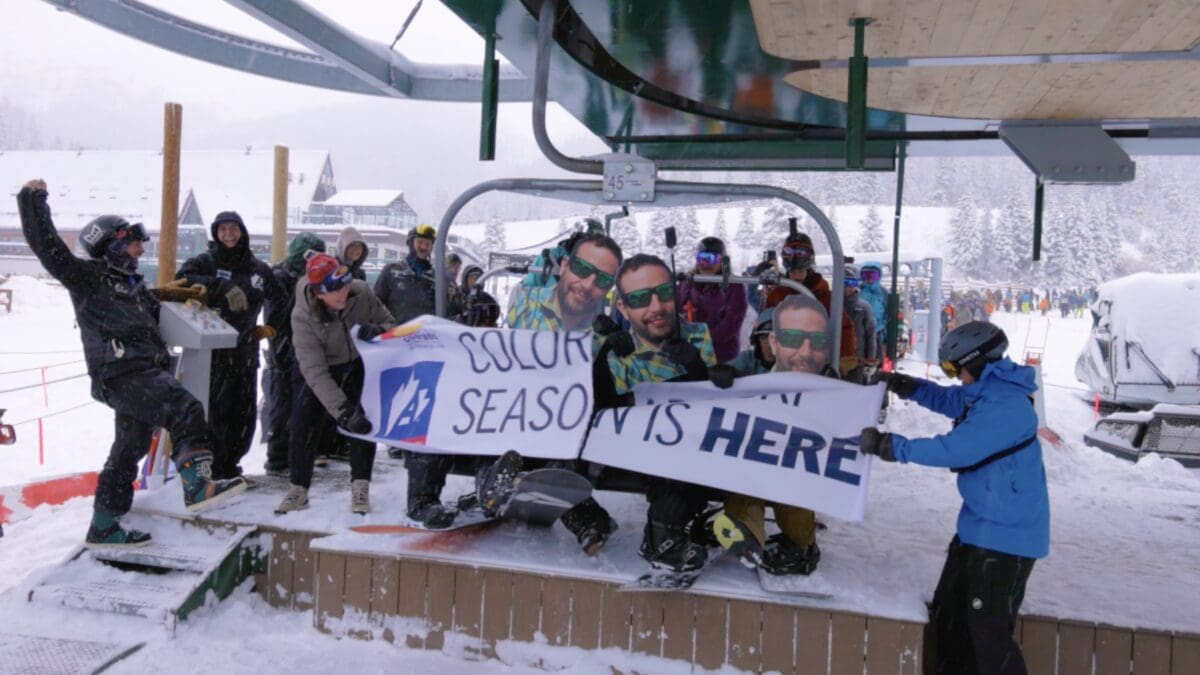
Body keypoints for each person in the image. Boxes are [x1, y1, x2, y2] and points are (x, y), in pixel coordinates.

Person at [17, 179, 246, 547]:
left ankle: (104, 525)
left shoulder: (133, 286)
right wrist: (33, 200)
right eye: (133, 243)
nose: (141, 249)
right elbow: (48, 247)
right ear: (112, 245)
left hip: (140, 373)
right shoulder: (88, 279)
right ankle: (198, 486)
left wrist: (184, 296)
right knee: (185, 408)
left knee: (129, 449)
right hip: (121, 372)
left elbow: (156, 306)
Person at [860, 322, 1049, 675]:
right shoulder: (987, 390)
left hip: (1006, 540)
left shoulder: (1006, 407)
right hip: (978, 530)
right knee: (951, 620)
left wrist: (891, 446)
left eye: (952, 368)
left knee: (987, 634)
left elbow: (955, 450)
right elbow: (951, 401)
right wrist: (907, 385)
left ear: (976, 362)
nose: (953, 376)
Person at [474, 234, 624, 554]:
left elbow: (613, 386)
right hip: (523, 404)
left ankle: (586, 519)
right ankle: (494, 485)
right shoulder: (530, 303)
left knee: (559, 462)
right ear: (565, 265)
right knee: (495, 437)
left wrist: (611, 351)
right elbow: (507, 349)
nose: (588, 283)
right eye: (581, 269)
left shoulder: (603, 323)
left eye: (600, 279)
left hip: (567, 416)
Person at [605, 254, 718, 573]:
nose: (656, 306)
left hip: (684, 443)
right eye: (641, 299)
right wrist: (603, 360)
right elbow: (601, 409)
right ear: (624, 308)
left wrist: (697, 370)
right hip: (629, 445)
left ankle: (666, 531)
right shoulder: (615, 346)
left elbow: (714, 405)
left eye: (664, 293)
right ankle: (661, 534)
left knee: (692, 451)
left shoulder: (696, 335)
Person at [713, 293, 832, 575]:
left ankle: (802, 543)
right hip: (753, 447)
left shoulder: (805, 367)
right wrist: (722, 374)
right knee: (744, 484)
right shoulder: (748, 362)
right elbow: (725, 374)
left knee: (789, 490)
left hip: (791, 451)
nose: (769, 347)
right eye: (764, 340)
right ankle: (745, 533)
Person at [276, 254, 395, 515]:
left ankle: (360, 485)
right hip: (319, 368)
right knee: (303, 422)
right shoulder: (302, 316)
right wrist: (342, 411)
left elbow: (390, 323)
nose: (343, 293)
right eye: (334, 290)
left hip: (355, 362)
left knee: (363, 422)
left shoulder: (361, 293)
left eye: (345, 285)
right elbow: (315, 371)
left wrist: (378, 332)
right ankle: (298, 488)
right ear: (319, 293)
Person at [176, 211, 285, 481]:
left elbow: (281, 299)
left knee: (243, 415)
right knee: (215, 412)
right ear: (216, 233)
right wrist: (220, 286)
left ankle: (232, 466)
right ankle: (213, 469)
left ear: (242, 231)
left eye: (233, 229)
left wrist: (270, 327)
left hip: (245, 351)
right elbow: (181, 280)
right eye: (223, 229)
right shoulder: (205, 262)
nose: (228, 234)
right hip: (212, 354)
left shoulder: (257, 269)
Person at [262, 232, 327, 475]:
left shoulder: (313, 278)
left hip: (307, 346)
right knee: (283, 404)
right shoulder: (279, 276)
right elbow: (276, 316)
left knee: (306, 404)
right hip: (284, 347)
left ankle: (301, 452)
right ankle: (278, 456)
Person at [763, 232, 857, 376]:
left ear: (809, 269)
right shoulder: (778, 294)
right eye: (793, 272)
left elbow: (843, 327)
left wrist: (843, 361)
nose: (797, 276)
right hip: (785, 362)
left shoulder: (824, 297)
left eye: (800, 271)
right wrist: (765, 356)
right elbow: (765, 326)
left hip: (817, 361)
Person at [676, 236, 748, 363]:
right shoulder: (686, 285)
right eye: (701, 258)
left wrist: (700, 338)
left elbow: (731, 325)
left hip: (721, 355)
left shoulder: (733, 287)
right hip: (688, 354)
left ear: (722, 261)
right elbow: (674, 312)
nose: (705, 264)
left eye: (710, 259)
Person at [375, 223, 440, 325]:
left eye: (428, 244)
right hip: (396, 332)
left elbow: (447, 311)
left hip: (425, 332)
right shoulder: (392, 271)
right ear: (411, 243)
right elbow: (376, 303)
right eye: (420, 242)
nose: (424, 247)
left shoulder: (437, 278)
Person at [842, 264, 878, 383]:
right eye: (843, 283)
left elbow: (870, 334)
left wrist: (870, 359)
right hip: (835, 358)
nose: (846, 287)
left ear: (856, 285)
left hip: (857, 360)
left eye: (851, 283)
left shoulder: (863, 307)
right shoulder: (831, 304)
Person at [723, 307, 775, 376]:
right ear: (757, 340)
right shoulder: (748, 359)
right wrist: (722, 371)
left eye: (776, 339)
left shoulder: (789, 364)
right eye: (764, 338)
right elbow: (724, 370)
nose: (769, 345)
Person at [858, 261, 887, 356]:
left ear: (879, 276)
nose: (869, 279)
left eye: (873, 276)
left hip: (877, 332)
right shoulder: (858, 291)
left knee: (875, 357)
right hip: (860, 332)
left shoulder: (883, 293)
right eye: (866, 276)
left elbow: (888, 313)